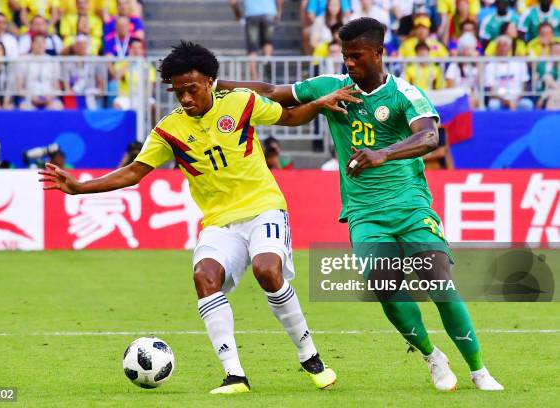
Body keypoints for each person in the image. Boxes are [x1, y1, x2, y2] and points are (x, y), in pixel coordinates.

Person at [38, 41, 361, 394]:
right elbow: (134, 172)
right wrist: (81, 187)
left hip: (264, 207)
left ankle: (310, 357)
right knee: (204, 277)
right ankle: (235, 375)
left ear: (210, 81)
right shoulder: (169, 130)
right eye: (178, 92)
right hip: (219, 221)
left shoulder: (241, 103)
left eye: (192, 89)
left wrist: (316, 104)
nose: (186, 98)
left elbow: (290, 116)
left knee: (267, 270)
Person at [217, 17, 504, 392]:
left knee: (438, 282)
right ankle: (432, 356)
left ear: (378, 53)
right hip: (365, 213)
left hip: (411, 206)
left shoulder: (405, 94)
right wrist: (213, 83)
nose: (349, 63)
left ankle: (479, 370)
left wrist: (382, 154)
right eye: (344, 55)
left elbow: (430, 136)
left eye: (356, 56)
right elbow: (272, 91)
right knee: (386, 287)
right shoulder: (331, 89)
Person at [230, 0, 283, 81]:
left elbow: (233, 2)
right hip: (269, 13)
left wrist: (238, 15)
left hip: (252, 15)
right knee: (268, 43)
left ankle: (254, 80)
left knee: (252, 49)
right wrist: (278, 11)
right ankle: (267, 66)